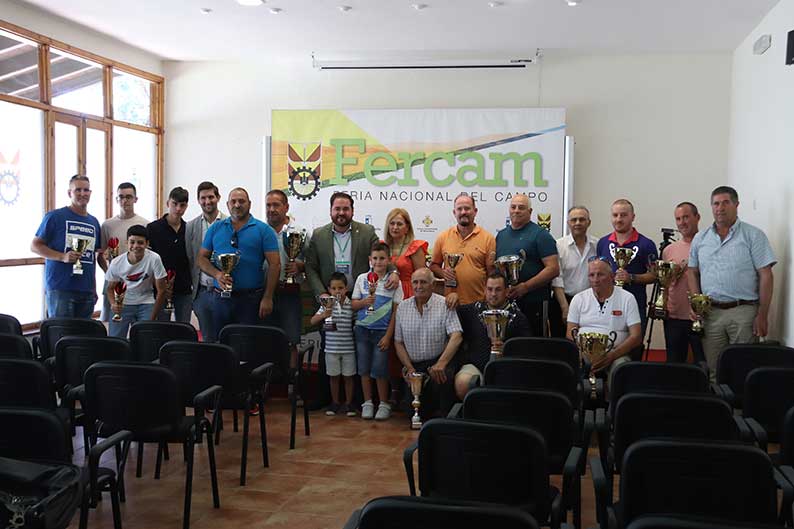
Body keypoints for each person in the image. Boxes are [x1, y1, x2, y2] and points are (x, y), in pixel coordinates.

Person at [687, 186, 776, 379]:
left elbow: (766, 275)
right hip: (711, 315)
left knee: (744, 369)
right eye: (716, 203)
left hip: (743, 313)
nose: (720, 208)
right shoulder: (700, 238)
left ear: (736, 204)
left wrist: (762, 314)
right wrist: (696, 302)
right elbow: (692, 271)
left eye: (725, 202)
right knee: (714, 370)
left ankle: (743, 409)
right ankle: (718, 409)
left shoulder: (753, 235)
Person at [197, 187, 281, 341]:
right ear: (228, 205)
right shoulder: (216, 228)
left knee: (247, 346)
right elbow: (201, 258)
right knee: (220, 346)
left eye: (241, 201)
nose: (237, 205)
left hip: (251, 300)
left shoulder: (264, 230)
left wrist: (268, 297)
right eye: (233, 201)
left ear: (249, 204)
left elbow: (275, 265)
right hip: (220, 299)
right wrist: (217, 274)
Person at [394, 268, 463, 421]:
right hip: (414, 365)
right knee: (411, 412)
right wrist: (409, 368)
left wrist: (441, 363)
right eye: (415, 282)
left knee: (443, 391)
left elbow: (456, 336)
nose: (419, 286)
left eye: (423, 282)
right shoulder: (402, 308)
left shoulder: (444, 304)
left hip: (438, 362)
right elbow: (398, 343)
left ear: (433, 285)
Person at [305, 192, 399, 299]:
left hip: (361, 296)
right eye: (337, 209)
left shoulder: (367, 232)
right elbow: (310, 267)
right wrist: (321, 293)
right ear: (330, 211)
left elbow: (382, 255)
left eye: (345, 209)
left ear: (352, 211)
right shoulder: (318, 235)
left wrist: (394, 272)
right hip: (330, 297)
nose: (341, 212)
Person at [31, 174, 101, 318]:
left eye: (86, 190)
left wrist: (93, 288)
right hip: (61, 289)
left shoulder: (94, 222)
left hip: (86, 290)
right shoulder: (55, 217)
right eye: (78, 190)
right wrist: (62, 257)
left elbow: (92, 257)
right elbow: (35, 246)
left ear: (90, 193)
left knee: (83, 339)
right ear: (70, 193)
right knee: (60, 335)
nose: (83, 194)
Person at [566, 258, 642, 388]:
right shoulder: (578, 299)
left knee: (620, 368)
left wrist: (612, 355)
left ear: (612, 276)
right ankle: (576, 406)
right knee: (567, 367)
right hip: (583, 354)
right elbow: (570, 333)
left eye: (600, 274)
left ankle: (615, 407)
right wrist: (582, 353)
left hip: (616, 353)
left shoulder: (627, 298)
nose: (595, 279)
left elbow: (636, 336)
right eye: (591, 275)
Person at [453, 272, 531, 400]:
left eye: (498, 290)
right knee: (462, 383)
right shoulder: (471, 311)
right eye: (490, 289)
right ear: (485, 290)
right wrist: (452, 297)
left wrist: (506, 348)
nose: (493, 294)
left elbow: (526, 349)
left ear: (507, 291)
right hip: (475, 366)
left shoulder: (518, 317)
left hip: (507, 366)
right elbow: (450, 316)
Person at [351, 242, 404, 420]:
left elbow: (396, 311)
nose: (378, 262)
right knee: (364, 368)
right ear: (370, 260)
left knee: (380, 369)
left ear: (389, 260)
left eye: (382, 258)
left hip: (382, 332)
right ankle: (367, 402)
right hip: (362, 330)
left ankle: (383, 403)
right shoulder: (361, 279)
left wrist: (389, 336)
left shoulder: (394, 282)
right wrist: (364, 303)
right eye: (375, 258)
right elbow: (353, 305)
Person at [495, 194, 560, 336]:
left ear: (530, 212)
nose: (516, 210)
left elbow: (553, 269)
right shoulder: (501, 235)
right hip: (506, 303)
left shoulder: (541, 235)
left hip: (534, 302)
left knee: (533, 345)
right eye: (513, 207)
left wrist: (525, 287)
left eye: (521, 207)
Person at [596, 199, 658, 343]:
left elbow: (655, 276)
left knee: (634, 348)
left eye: (623, 215)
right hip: (607, 306)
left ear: (633, 217)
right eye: (615, 215)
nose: (618, 219)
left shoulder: (646, 244)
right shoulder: (603, 243)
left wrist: (631, 277)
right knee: (608, 345)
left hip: (635, 305)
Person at [263, 189, 311, 367]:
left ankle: (291, 386)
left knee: (291, 340)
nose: (271, 209)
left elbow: (313, 262)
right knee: (265, 340)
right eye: (268, 205)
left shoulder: (300, 231)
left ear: (286, 207)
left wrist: (301, 266)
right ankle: (268, 385)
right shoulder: (260, 230)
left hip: (290, 293)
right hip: (264, 294)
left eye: (276, 205)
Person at [429, 194, 496, 308]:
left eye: (467, 208)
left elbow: (492, 273)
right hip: (450, 303)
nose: (463, 212)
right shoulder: (443, 237)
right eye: (459, 209)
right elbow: (434, 266)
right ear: (454, 212)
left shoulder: (488, 238)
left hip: (478, 303)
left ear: (475, 211)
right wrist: (443, 273)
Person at [97, 182, 149, 322]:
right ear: (116, 199)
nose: (125, 200)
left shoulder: (145, 224)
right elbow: (100, 255)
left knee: (138, 327)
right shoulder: (107, 225)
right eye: (121, 197)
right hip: (114, 284)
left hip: (137, 283)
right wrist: (109, 272)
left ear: (135, 199)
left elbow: (148, 256)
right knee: (113, 323)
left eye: (128, 197)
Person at [662, 202, 705, 364]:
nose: (682, 222)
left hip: (701, 316)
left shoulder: (708, 245)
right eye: (678, 219)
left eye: (686, 217)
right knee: (674, 363)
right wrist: (663, 305)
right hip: (674, 316)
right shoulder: (669, 250)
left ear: (697, 217)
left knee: (703, 362)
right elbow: (665, 284)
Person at [105, 225, 167, 338]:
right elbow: (109, 288)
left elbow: (162, 291)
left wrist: (152, 318)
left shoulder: (154, 259)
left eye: (140, 242)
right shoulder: (116, 263)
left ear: (147, 244)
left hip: (146, 302)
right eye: (132, 242)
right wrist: (114, 304)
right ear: (126, 242)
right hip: (124, 303)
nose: (136, 246)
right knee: (115, 339)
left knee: (146, 339)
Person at [310, 272, 356, 417]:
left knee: (349, 377)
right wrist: (324, 314)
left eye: (340, 288)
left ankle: (349, 403)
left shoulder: (351, 305)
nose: (337, 291)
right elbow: (312, 321)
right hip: (331, 348)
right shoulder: (326, 305)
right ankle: (335, 402)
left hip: (349, 349)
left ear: (346, 289)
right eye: (334, 288)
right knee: (333, 377)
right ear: (329, 290)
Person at [186, 181, 226, 342]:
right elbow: (190, 257)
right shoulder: (191, 226)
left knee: (225, 335)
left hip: (223, 291)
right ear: (198, 200)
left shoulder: (229, 223)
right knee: (207, 338)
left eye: (211, 197)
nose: (207, 201)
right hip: (201, 292)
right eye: (203, 198)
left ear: (218, 198)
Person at [550, 206, 598, 337]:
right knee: (562, 344)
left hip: (590, 302)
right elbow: (556, 279)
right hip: (563, 301)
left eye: (582, 219)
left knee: (587, 341)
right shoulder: (559, 245)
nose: (578, 223)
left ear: (589, 222)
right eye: (574, 220)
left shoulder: (597, 245)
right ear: (568, 223)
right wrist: (565, 308)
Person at [146, 187, 192, 323]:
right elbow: (148, 259)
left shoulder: (189, 229)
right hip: (159, 289)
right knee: (161, 328)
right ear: (167, 204)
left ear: (186, 206)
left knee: (184, 329)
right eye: (174, 204)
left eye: (182, 205)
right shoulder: (153, 228)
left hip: (184, 289)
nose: (178, 209)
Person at [384, 208, 428, 298]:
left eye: (399, 224)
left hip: (408, 294)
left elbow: (422, 278)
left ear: (407, 228)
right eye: (392, 223)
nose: (395, 227)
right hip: (386, 292)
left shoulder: (415, 248)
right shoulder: (382, 247)